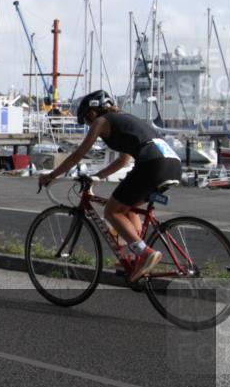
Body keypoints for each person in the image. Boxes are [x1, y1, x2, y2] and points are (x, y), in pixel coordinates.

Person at [39, 90, 182, 282]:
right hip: (172, 163)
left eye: (86, 121)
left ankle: (145, 252)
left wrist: (51, 175)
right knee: (128, 209)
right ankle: (138, 255)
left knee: (111, 211)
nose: (89, 125)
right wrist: (98, 176)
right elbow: (124, 160)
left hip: (152, 164)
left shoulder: (101, 121)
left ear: (92, 113)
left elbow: (78, 154)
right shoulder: (124, 119)